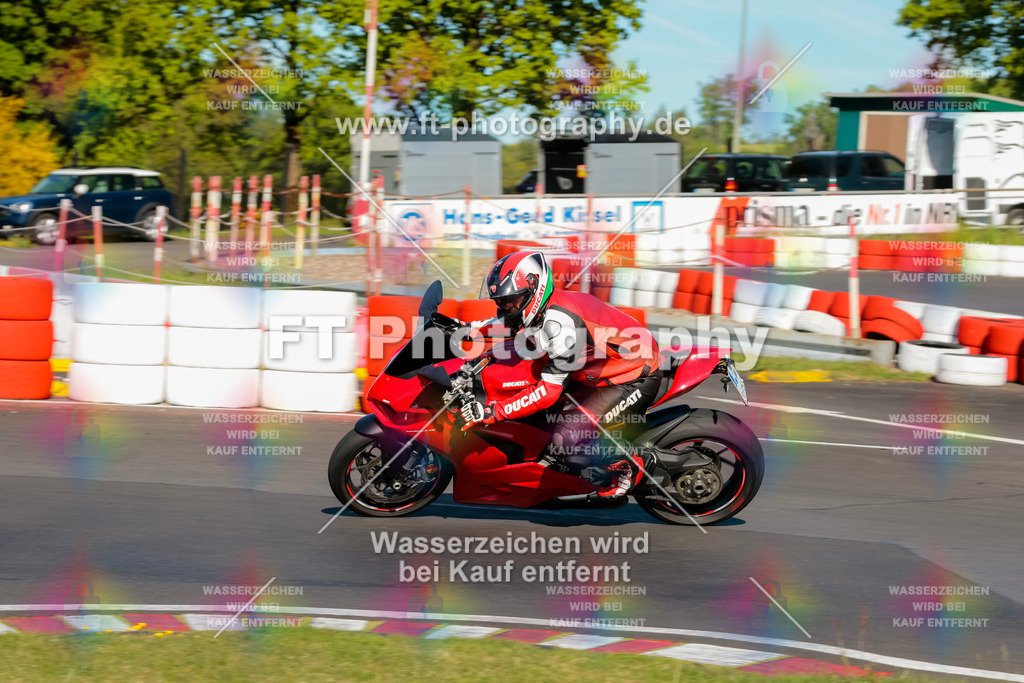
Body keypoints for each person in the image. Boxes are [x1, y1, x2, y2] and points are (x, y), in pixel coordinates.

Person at [460, 251, 661, 497]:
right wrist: (465, 329)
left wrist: (495, 411)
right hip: (598, 368)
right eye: (501, 302)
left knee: (567, 438)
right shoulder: (543, 308)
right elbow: (509, 322)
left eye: (511, 300)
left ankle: (628, 466)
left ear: (534, 288)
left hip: (632, 377)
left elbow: (548, 392)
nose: (505, 308)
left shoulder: (561, 325)